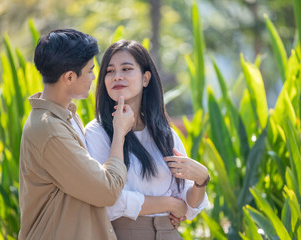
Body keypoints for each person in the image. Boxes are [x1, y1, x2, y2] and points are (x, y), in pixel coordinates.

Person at [85, 39, 209, 240]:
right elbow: (108, 200)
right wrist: (168, 204)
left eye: (126, 69)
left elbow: (188, 207)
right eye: (109, 71)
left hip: (169, 234)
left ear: (146, 78)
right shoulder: (96, 133)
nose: (117, 76)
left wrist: (202, 181)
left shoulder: (165, 133)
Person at [19, 29, 134, 240]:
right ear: (70, 77)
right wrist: (120, 133)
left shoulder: (68, 117)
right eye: (90, 70)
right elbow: (105, 191)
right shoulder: (49, 130)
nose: (94, 76)